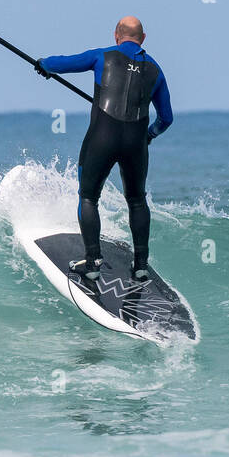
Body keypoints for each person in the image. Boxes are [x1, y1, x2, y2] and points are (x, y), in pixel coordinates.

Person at [35, 17, 172, 282]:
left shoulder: (102, 56)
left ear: (116, 36)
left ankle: (93, 261)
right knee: (136, 200)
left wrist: (44, 65)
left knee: (88, 197)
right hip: (135, 144)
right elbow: (166, 118)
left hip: (102, 139)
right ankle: (141, 264)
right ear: (143, 39)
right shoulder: (156, 70)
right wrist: (149, 134)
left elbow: (63, 62)